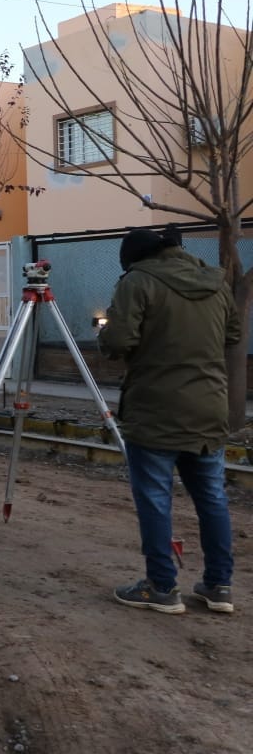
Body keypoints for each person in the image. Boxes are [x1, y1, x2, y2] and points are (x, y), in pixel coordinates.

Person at [99, 225, 238, 614]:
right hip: (209, 407)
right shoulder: (216, 282)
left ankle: (161, 588)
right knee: (212, 498)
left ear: (133, 258)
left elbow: (117, 341)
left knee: (155, 500)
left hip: (156, 410)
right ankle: (219, 586)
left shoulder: (137, 282)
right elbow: (234, 334)